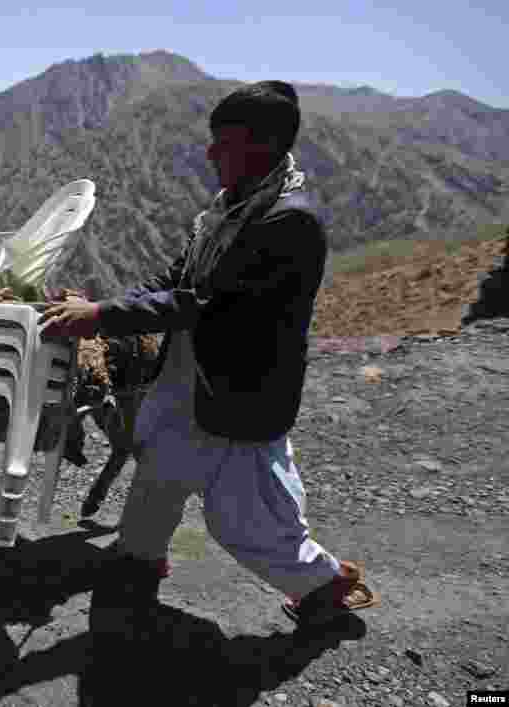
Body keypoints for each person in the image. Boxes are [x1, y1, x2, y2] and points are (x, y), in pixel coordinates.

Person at [39, 80, 378, 632]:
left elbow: (203, 302)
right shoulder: (232, 209)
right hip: (191, 376)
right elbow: (177, 277)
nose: (209, 153)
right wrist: (101, 305)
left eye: (223, 142)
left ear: (261, 146)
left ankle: (324, 585)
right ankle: (137, 562)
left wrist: (101, 317)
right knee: (160, 467)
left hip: (237, 388)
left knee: (244, 518)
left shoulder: (288, 223)